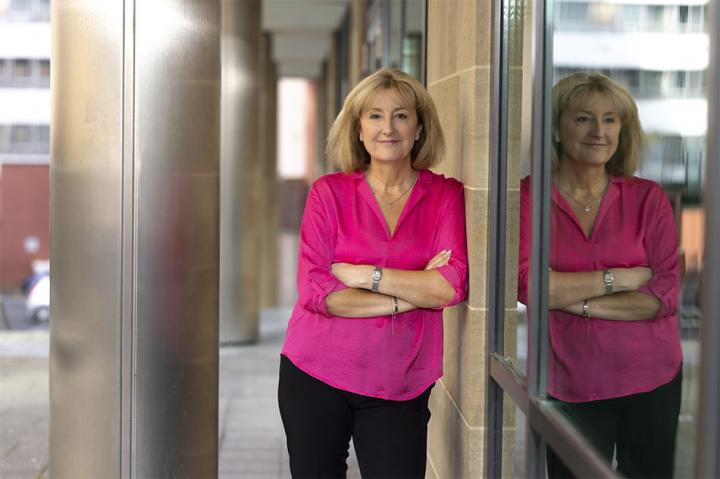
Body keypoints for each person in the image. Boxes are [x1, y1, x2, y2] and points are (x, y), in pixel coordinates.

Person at [278, 68, 468, 479]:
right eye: (375, 116)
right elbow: (318, 292)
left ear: (419, 128)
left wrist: (365, 275)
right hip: (315, 373)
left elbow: (449, 286)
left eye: (401, 116)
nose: (388, 128)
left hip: (400, 381)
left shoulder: (445, 196)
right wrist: (408, 294)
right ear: (359, 129)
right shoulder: (328, 192)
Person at [518, 72, 682, 478]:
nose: (598, 131)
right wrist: (619, 279)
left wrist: (573, 300)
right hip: (568, 381)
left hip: (652, 378)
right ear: (556, 128)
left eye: (610, 120)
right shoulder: (529, 196)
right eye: (583, 119)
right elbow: (528, 284)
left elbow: (663, 295)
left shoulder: (648, 198)